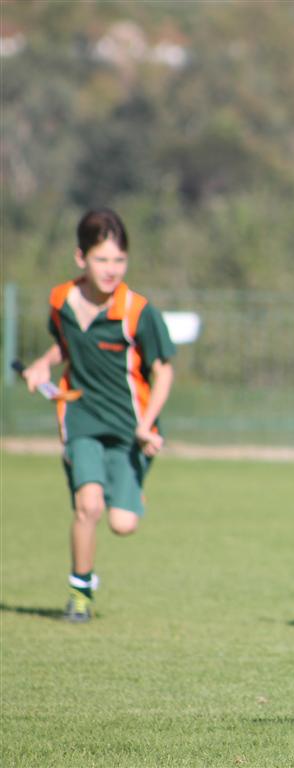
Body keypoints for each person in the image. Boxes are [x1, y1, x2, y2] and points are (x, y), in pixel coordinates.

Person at [19, 208, 176, 623]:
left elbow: (163, 372)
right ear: (80, 257)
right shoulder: (60, 301)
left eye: (119, 260)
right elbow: (67, 345)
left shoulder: (137, 310)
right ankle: (80, 594)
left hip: (130, 427)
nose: (111, 269)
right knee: (88, 507)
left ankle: (126, 485)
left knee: (122, 524)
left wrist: (146, 424)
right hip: (81, 417)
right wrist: (43, 364)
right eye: (102, 259)